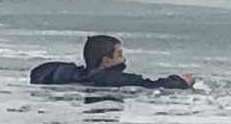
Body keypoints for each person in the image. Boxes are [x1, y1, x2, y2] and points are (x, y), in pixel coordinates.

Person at [29, 35, 196, 90]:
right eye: (119, 54)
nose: (123, 58)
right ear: (107, 60)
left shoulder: (67, 74)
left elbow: (39, 72)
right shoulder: (115, 79)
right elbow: (151, 85)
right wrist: (182, 82)